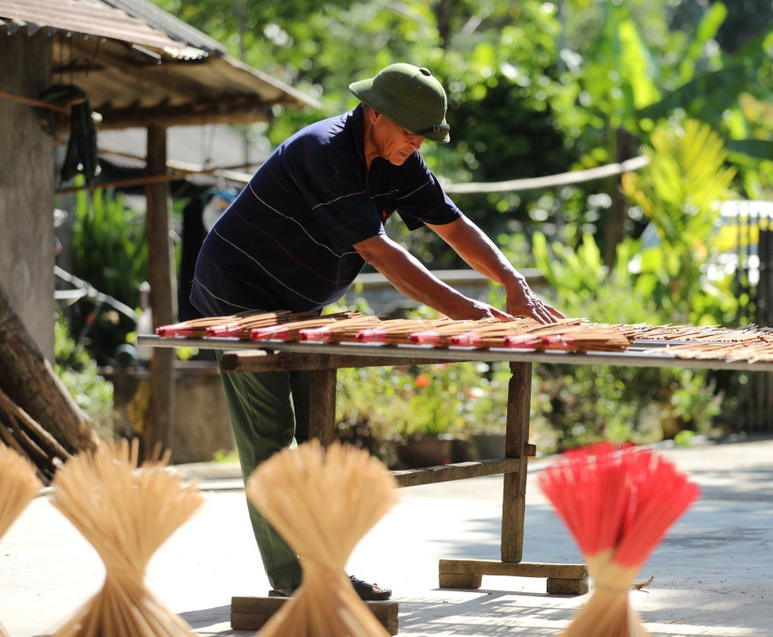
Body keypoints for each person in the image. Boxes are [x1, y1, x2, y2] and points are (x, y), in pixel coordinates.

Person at [190, 62, 563, 600]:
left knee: (316, 436)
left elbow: (451, 223)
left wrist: (511, 281)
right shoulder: (325, 151)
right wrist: (467, 312)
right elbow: (379, 252)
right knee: (270, 439)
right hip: (239, 296)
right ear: (374, 112)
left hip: (296, 307)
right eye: (409, 132)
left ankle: (326, 569)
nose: (415, 144)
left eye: (423, 136)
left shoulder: (399, 160)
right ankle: (296, 583)